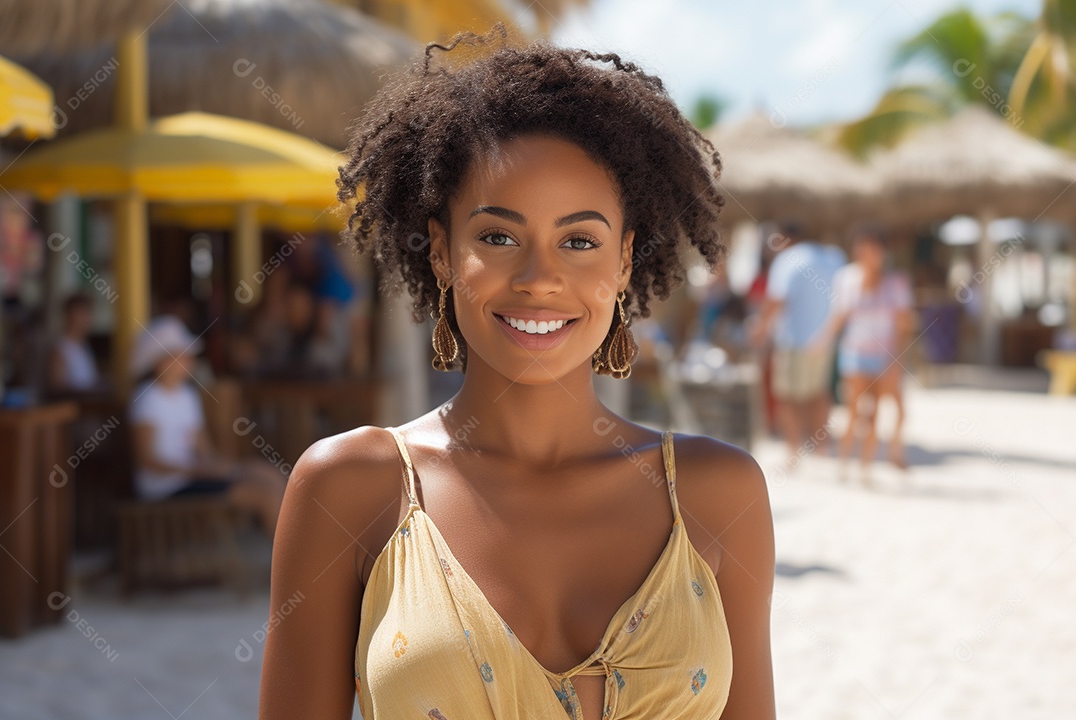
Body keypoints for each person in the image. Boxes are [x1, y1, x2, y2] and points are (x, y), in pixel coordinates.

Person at [260, 32, 776, 720]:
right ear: (442, 252)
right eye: (498, 237)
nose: (540, 278)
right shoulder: (349, 488)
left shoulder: (720, 493)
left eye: (579, 241)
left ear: (624, 261)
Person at [128, 315, 286, 538]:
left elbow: (203, 448)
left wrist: (222, 467)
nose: (187, 360)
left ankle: (296, 550)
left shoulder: (187, 396)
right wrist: (196, 470)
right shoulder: (147, 398)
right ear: (161, 360)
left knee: (271, 475)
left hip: (193, 475)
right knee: (264, 495)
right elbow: (147, 460)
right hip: (165, 486)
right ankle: (288, 557)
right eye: (180, 354)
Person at [815, 225, 913, 482]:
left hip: (884, 355)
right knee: (855, 410)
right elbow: (839, 315)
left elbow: (903, 325)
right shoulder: (847, 278)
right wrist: (823, 340)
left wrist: (897, 359)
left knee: (875, 413)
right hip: (854, 353)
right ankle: (844, 463)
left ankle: (865, 466)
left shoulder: (895, 283)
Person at [750, 223, 846, 467]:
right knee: (819, 393)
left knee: (787, 397)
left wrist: (760, 329)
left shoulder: (787, 261)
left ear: (785, 238)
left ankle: (792, 451)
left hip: (793, 341)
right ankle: (821, 448)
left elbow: (776, 301)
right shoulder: (831, 257)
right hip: (824, 340)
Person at [47, 292, 102, 394]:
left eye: (88, 314)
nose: (86, 319)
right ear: (69, 315)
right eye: (81, 314)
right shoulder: (60, 349)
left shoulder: (84, 346)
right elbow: (56, 388)